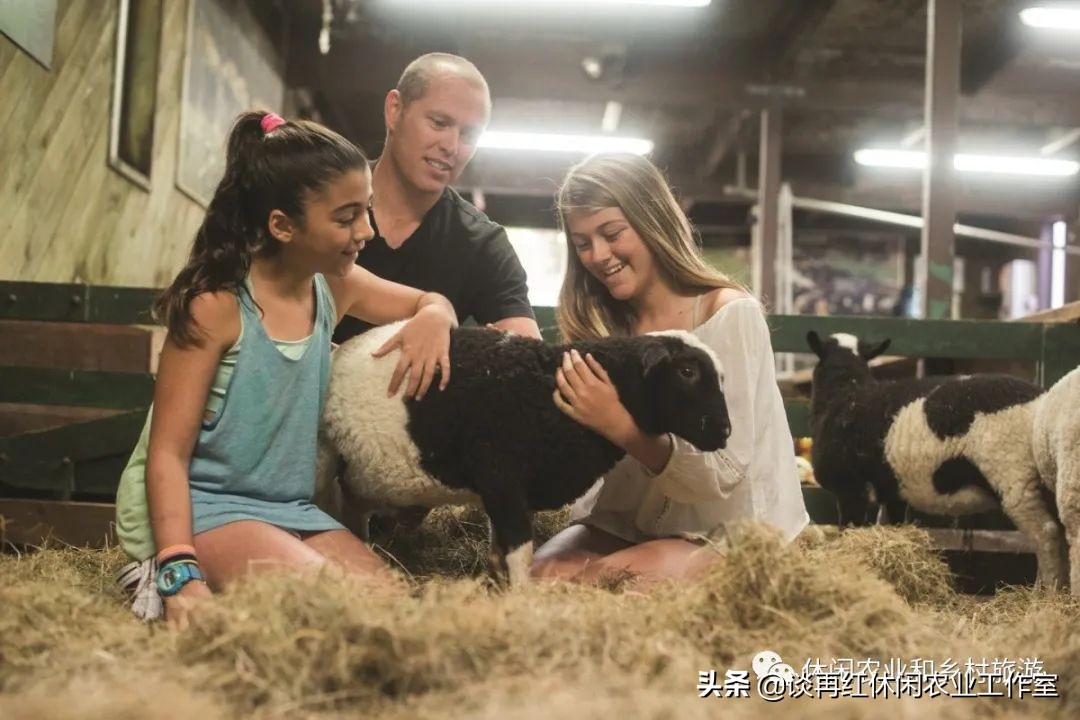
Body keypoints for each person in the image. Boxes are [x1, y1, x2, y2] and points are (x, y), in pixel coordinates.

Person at [114, 112, 458, 626]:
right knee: (331, 609)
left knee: (391, 605)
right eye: (345, 218)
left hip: (289, 508)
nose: (365, 231)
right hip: (203, 505)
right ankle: (150, 570)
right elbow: (166, 453)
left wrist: (434, 315)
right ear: (282, 225)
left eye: (365, 210)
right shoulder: (216, 307)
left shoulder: (336, 285)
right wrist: (180, 572)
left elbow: (430, 301)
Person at [531, 153, 809, 588]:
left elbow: (723, 471)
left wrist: (618, 425)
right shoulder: (605, 326)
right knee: (538, 578)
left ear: (652, 220)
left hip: (725, 529)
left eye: (612, 233)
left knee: (604, 583)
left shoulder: (728, 314)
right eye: (582, 243)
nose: (598, 255)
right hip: (629, 519)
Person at [333, 52, 540, 344]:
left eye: (468, 135)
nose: (451, 146)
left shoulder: (481, 244)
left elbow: (527, 350)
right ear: (395, 110)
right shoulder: (322, 199)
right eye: (439, 123)